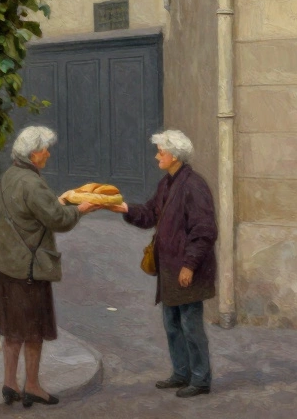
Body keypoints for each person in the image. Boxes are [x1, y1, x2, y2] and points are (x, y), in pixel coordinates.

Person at [0, 126, 102, 408]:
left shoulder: (8, 177)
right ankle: (33, 385)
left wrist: (59, 201)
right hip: (29, 270)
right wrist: (80, 210)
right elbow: (58, 220)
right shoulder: (33, 183)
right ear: (34, 153)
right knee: (33, 331)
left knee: (12, 329)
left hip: (7, 267)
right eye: (45, 149)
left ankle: (9, 383)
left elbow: (29, 212)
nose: (48, 154)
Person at [113, 129, 217, 398]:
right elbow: (148, 214)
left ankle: (200, 379)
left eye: (161, 151)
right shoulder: (167, 183)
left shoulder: (194, 185)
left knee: (191, 326)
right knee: (172, 324)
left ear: (175, 155)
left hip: (186, 269)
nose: (157, 155)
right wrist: (124, 208)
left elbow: (204, 231)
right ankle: (181, 374)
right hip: (170, 269)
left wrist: (189, 265)